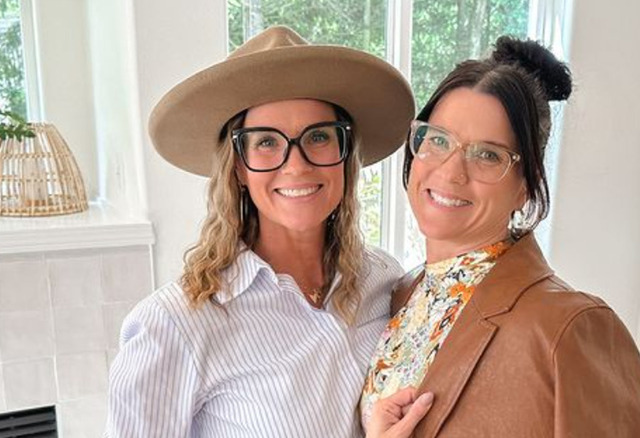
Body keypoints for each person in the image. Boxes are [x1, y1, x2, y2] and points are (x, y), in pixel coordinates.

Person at [105, 25, 430, 437]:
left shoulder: (382, 281)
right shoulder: (173, 326)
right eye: (265, 142)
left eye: (318, 136)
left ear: (346, 156)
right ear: (237, 168)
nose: (296, 165)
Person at [361, 36, 640, 437]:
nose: (451, 171)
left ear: (527, 185)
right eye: (438, 140)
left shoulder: (571, 328)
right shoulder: (399, 294)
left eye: (487, 154)